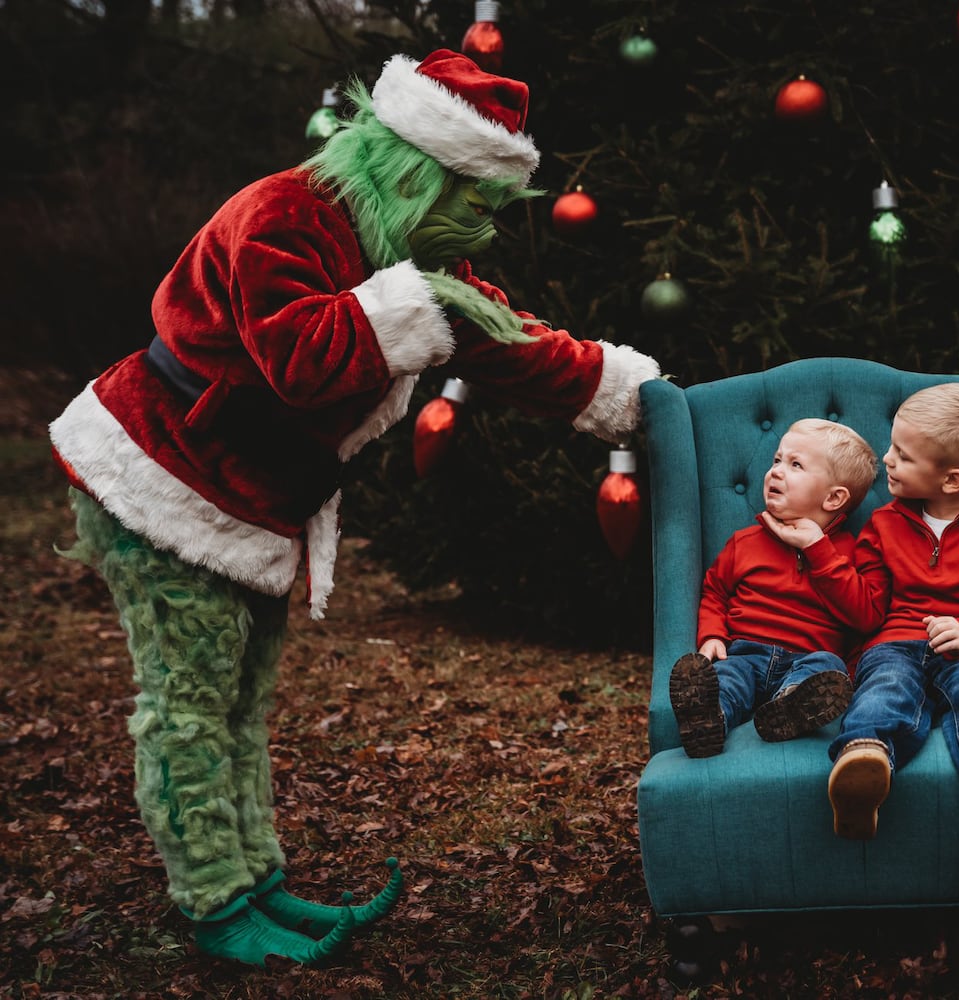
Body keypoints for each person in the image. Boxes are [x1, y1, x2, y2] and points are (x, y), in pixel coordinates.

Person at [47, 50, 659, 966]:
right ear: (420, 172)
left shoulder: (408, 251)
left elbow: (502, 341)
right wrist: (431, 302)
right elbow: (302, 358)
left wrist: (628, 396)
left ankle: (258, 881)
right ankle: (214, 902)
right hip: (160, 475)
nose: (483, 236)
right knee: (188, 703)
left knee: (239, 698)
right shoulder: (280, 216)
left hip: (250, 496)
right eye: (474, 206)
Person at [764, 383, 959, 872]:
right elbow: (867, 612)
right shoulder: (884, 524)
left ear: (950, 480)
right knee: (885, 683)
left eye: (902, 455)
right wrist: (817, 547)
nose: (887, 460)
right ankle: (864, 761)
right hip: (895, 641)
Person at [669, 419, 880, 758]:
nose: (776, 471)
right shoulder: (744, 542)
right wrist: (711, 636)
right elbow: (715, 593)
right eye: (777, 460)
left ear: (833, 498)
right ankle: (709, 721)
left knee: (828, 666)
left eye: (795, 465)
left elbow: (865, 615)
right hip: (745, 653)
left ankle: (791, 709)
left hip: (810, 658)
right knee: (727, 680)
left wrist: (817, 549)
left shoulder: (852, 553)